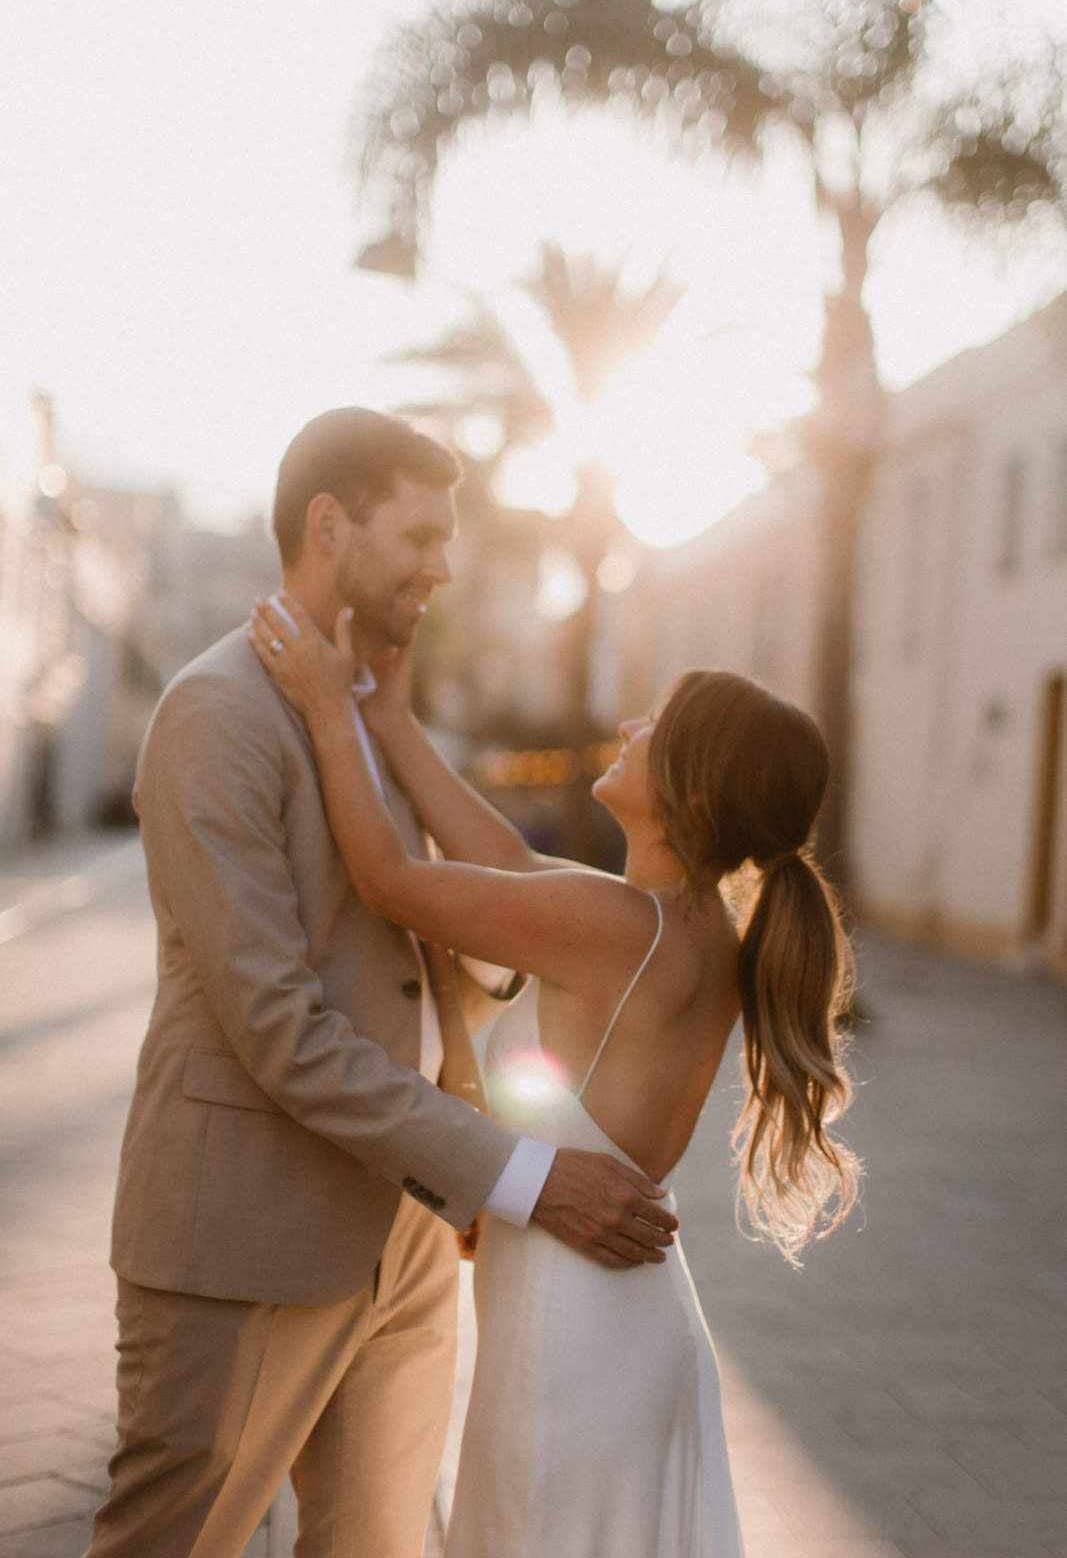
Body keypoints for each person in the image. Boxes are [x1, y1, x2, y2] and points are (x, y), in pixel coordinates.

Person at [86, 408, 678, 1558]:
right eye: (417, 534)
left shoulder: (372, 714)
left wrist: (466, 1138)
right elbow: (281, 1034)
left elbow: (466, 929)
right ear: (326, 525)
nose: (441, 567)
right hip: (242, 1242)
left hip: (407, 1241)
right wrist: (518, 1177)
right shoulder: (214, 715)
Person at [249, 592, 863, 1558]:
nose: (628, 725)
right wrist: (392, 723)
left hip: (570, 1341)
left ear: (692, 791)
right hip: (629, 1329)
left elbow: (387, 882)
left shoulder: (618, 926)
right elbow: (499, 858)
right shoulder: (687, 930)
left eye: (656, 724)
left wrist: (328, 710)